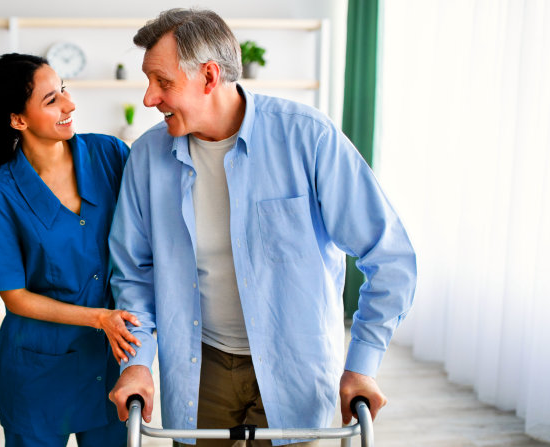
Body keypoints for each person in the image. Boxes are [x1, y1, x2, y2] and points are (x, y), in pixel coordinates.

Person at [106, 9, 417, 447]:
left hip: (295, 365)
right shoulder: (146, 158)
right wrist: (136, 361)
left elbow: (390, 257)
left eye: (163, 82)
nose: (148, 99)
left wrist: (362, 363)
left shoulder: (309, 138)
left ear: (209, 76)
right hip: (201, 366)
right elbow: (134, 273)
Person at [0, 53, 138, 447]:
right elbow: (15, 299)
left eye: (64, 90)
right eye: (52, 100)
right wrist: (100, 317)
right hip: (37, 372)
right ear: (19, 119)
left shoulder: (111, 155)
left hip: (109, 363)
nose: (70, 104)